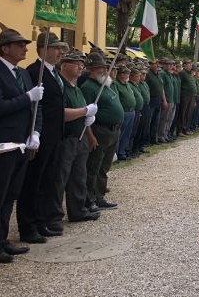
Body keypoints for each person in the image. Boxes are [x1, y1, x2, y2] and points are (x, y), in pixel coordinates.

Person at [17, 31, 65, 241]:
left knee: (48, 180)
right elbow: (36, 107)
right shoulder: (34, 72)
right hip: (41, 136)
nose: (60, 52)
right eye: (56, 48)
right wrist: (34, 133)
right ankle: (29, 226)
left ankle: (42, 220)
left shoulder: (55, 73)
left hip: (55, 135)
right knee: (33, 182)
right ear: (44, 50)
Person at [0, 29, 42, 262]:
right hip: (4, 143)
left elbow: (37, 108)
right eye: (19, 45)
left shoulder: (24, 74)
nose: (25, 48)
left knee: (10, 195)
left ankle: (3, 240)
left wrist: (35, 132)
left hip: (22, 143)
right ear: (5, 48)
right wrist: (27, 97)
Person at [57, 50, 99, 223]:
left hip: (80, 136)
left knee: (79, 177)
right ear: (64, 64)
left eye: (82, 63)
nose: (81, 66)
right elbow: (62, 114)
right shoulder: (62, 87)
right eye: (76, 63)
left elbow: (83, 114)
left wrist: (89, 132)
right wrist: (84, 111)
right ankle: (55, 215)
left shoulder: (76, 88)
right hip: (66, 138)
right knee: (61, 178)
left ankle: (78, 210)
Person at [81, 52, 122, 211]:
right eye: (100, 68)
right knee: (93, 167)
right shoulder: (88, 88)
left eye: (105, 67)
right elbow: (86, 115)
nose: (104, 70)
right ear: (91, 70)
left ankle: (99, 195)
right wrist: (90, 136)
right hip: (99, 131)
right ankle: (90, 199)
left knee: (104, 166)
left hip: (112, 131)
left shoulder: (106, 84)